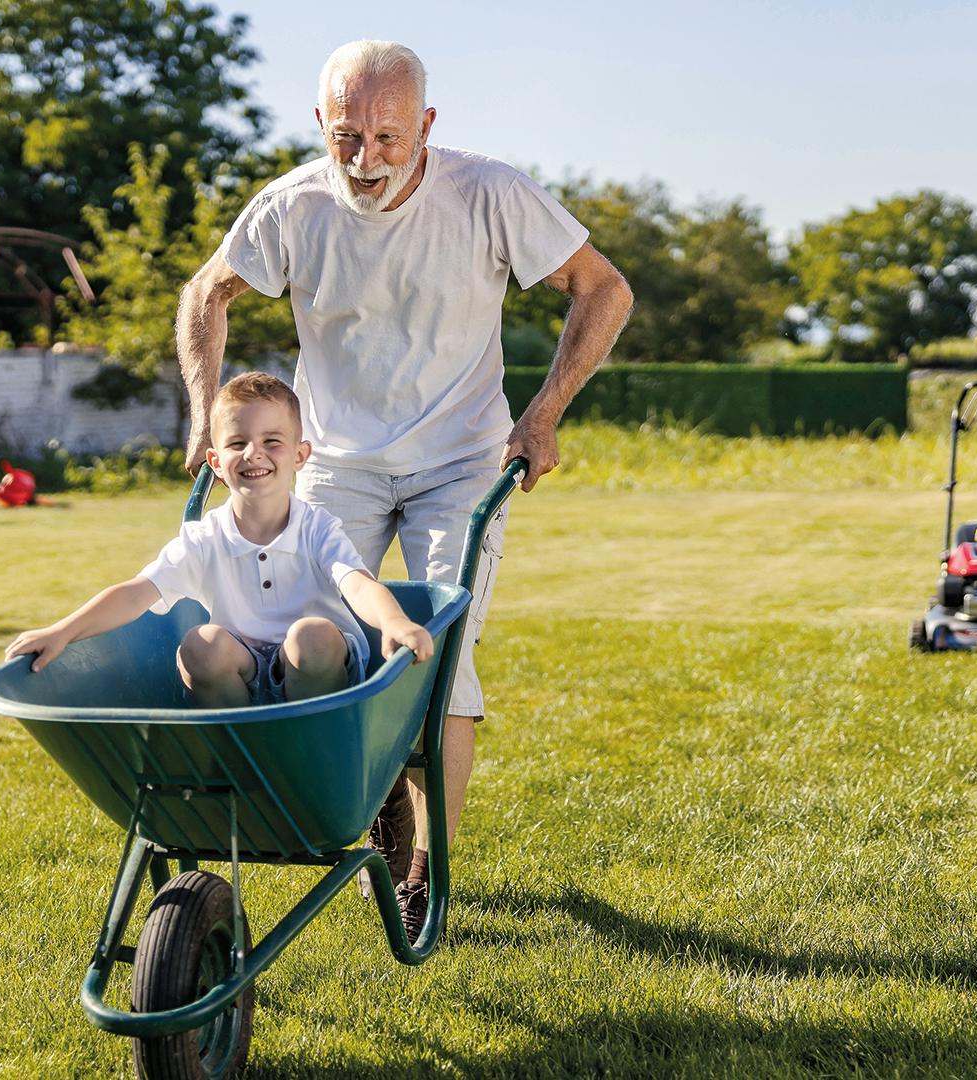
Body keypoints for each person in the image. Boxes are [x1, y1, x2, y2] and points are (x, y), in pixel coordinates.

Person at [173, 40, 635, 938]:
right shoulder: (295, 205)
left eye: (388, 138)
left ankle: (426, 870)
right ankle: (375, 789)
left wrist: (540, 416)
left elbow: (602, 289)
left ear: (426, 126)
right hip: (336, 461)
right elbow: (208, 293)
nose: (366, 160)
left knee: (436, 656)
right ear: (320, 125)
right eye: (346, 137)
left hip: (459, 460)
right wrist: (202, 415)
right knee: (301, 636)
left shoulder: (487, 192)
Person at [4, 372, 436, 709]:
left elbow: (358, 584)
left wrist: (395, 622)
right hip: (241, 673)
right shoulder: (204, 537)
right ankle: (247, 751)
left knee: (311, 636)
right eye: (237, 443)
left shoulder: (316, 528)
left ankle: (309, 747)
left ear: (301, 456)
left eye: (272, 441)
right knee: (199, 644)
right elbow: (136, 593)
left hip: (318, 674)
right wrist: (62, 631)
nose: (254, 453)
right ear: (215, 460)